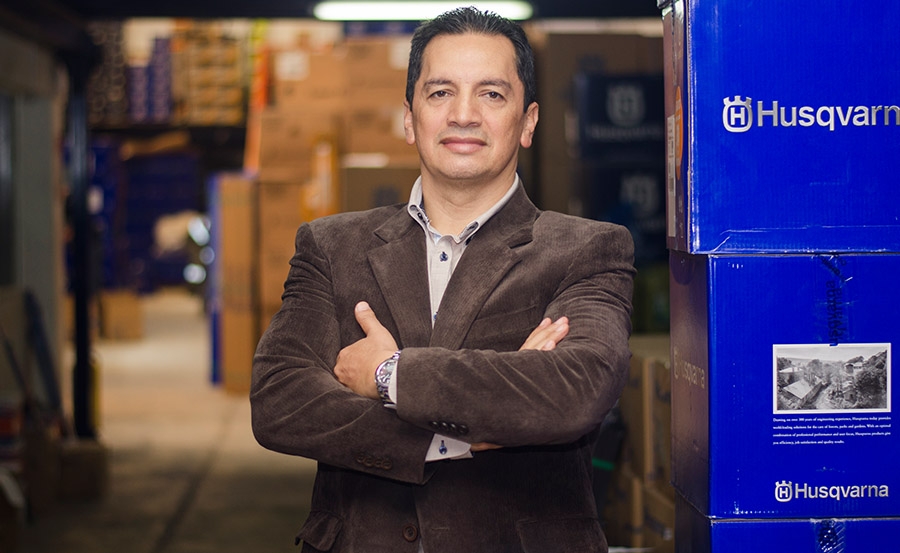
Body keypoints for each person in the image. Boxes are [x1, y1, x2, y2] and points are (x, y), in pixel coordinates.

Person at [250, 6, 635, 552]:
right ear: (410, 119)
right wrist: (453, 437)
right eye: (440, 93)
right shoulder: (332, 247)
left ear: (528, 122)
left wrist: (387, 374)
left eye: (491, 94)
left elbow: (575, 390)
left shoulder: (588, 250)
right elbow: (280, 401)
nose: (463, 114)